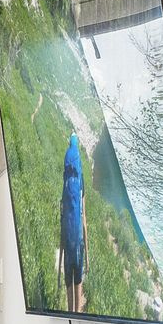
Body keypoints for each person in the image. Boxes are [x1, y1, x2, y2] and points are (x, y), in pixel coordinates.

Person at [57, 134, 86, 313]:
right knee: (78, 280)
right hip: (79, 242)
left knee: (68, 279)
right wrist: (88, 258)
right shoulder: (80, 183)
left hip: (67, 241)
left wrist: (60, 259)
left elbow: (62, 224)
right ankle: (78, 315)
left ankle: (69, 314)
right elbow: (85, 221)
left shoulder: (65, 187)